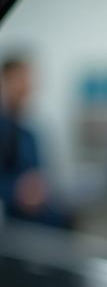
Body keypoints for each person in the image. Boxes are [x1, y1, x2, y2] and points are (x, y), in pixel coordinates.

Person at [0, 55, 63, 227]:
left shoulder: (29, 134)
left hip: (36, 221)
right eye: (20, 78)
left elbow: (38, 175)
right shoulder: (5, 130)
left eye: (29, 79)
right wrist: (15, 191)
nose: (27, 86)